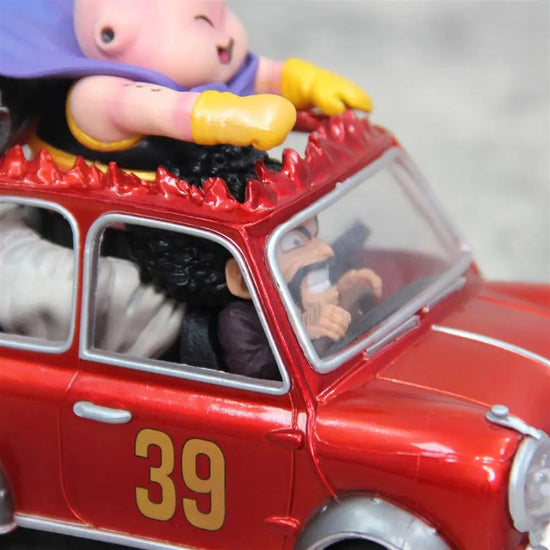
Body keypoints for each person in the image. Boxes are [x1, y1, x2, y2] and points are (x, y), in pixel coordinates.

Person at [0, 0, 372, 176]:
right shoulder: (96, 95)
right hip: (111, 227)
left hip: (201, 198)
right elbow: (161, 108)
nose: (225, 39)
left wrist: (299, 80)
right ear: (112, 35)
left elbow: (253, 72)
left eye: (223, 17)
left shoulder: (210, 67)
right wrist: (224, 116)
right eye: (203, 23)